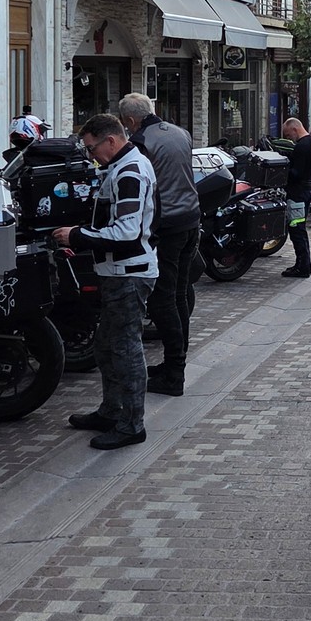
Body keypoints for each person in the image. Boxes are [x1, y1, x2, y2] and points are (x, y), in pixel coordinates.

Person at [53, 114, 159, 450]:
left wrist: (78, 236)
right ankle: (113, 411)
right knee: (107, 346)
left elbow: (126, 232)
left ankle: (131, 424)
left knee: (125, 349)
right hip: (121, 272)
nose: (91, 155)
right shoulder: (123, 167)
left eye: (91, 148)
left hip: (129, 273)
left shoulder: (129, 171)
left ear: (110, 141)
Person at [118, 92, 198, 397]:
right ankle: (174, 365)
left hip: (167, 226)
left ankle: (174, 373)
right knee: (179, 295)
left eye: (126, 123)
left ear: (130, 120)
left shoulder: (141, 142)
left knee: (163, 300)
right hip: (190, 220)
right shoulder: (181, 133)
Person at [281, 117, 311, 278]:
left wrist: (283, 172)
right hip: (306, 190)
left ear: (295, 129)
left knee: (297, 230)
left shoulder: (302, 146)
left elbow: (297, 173)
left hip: (298, 194)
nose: (289, 138)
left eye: (289, 135)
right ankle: (302, 264)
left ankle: (303, 267)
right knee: (300, 229)